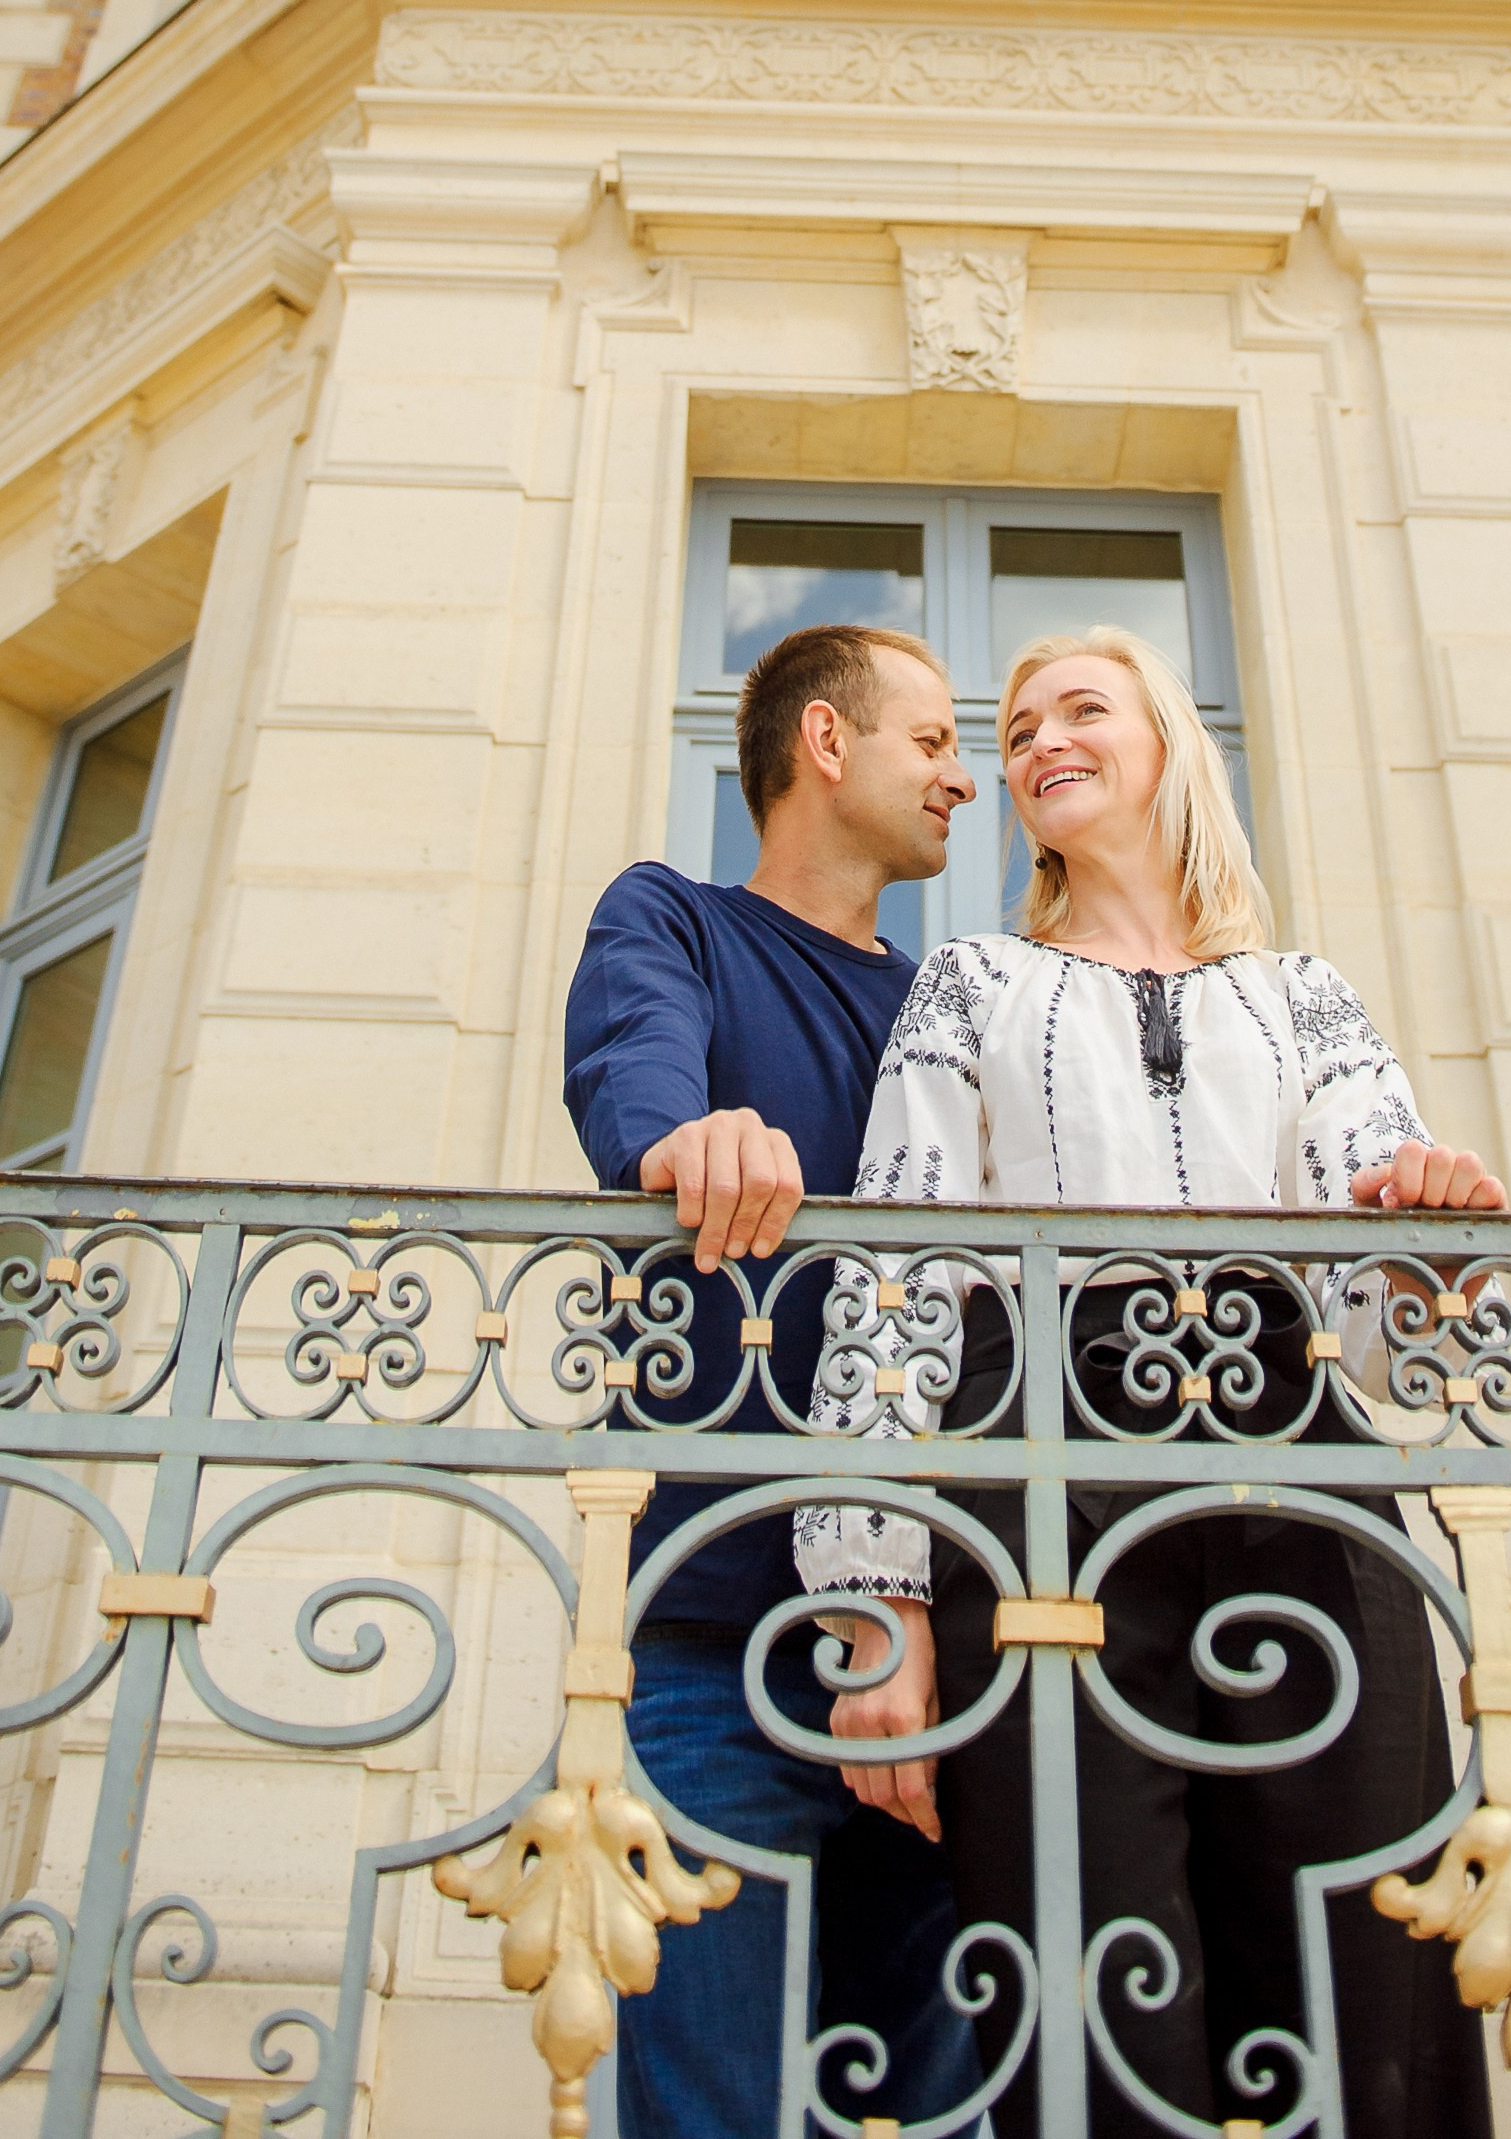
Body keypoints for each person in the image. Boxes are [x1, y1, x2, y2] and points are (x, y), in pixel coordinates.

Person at [796, 625, 1504, 2139]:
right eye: (1015, 723)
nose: (1038, 739)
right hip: (1039, 1475)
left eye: (1079, 710)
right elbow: (897, 1276)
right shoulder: (971, 984)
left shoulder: (1301, 994)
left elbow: (1384, 1330)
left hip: (1305, 1485)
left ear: (1168, 743)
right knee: (1085, 1980)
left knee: (1365, 1968)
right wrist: (872, 1598)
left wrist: (1424, 1247)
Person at [562, 620, 980, 2139]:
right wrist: (686, 1133)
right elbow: (634, 1058)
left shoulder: (959, 1008)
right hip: (710, 1621)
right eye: (932, 742)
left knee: (928, 2111)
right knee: (709, 2110)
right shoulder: (671, 918)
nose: (964, 781)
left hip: (946, 1628)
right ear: (825, 744)